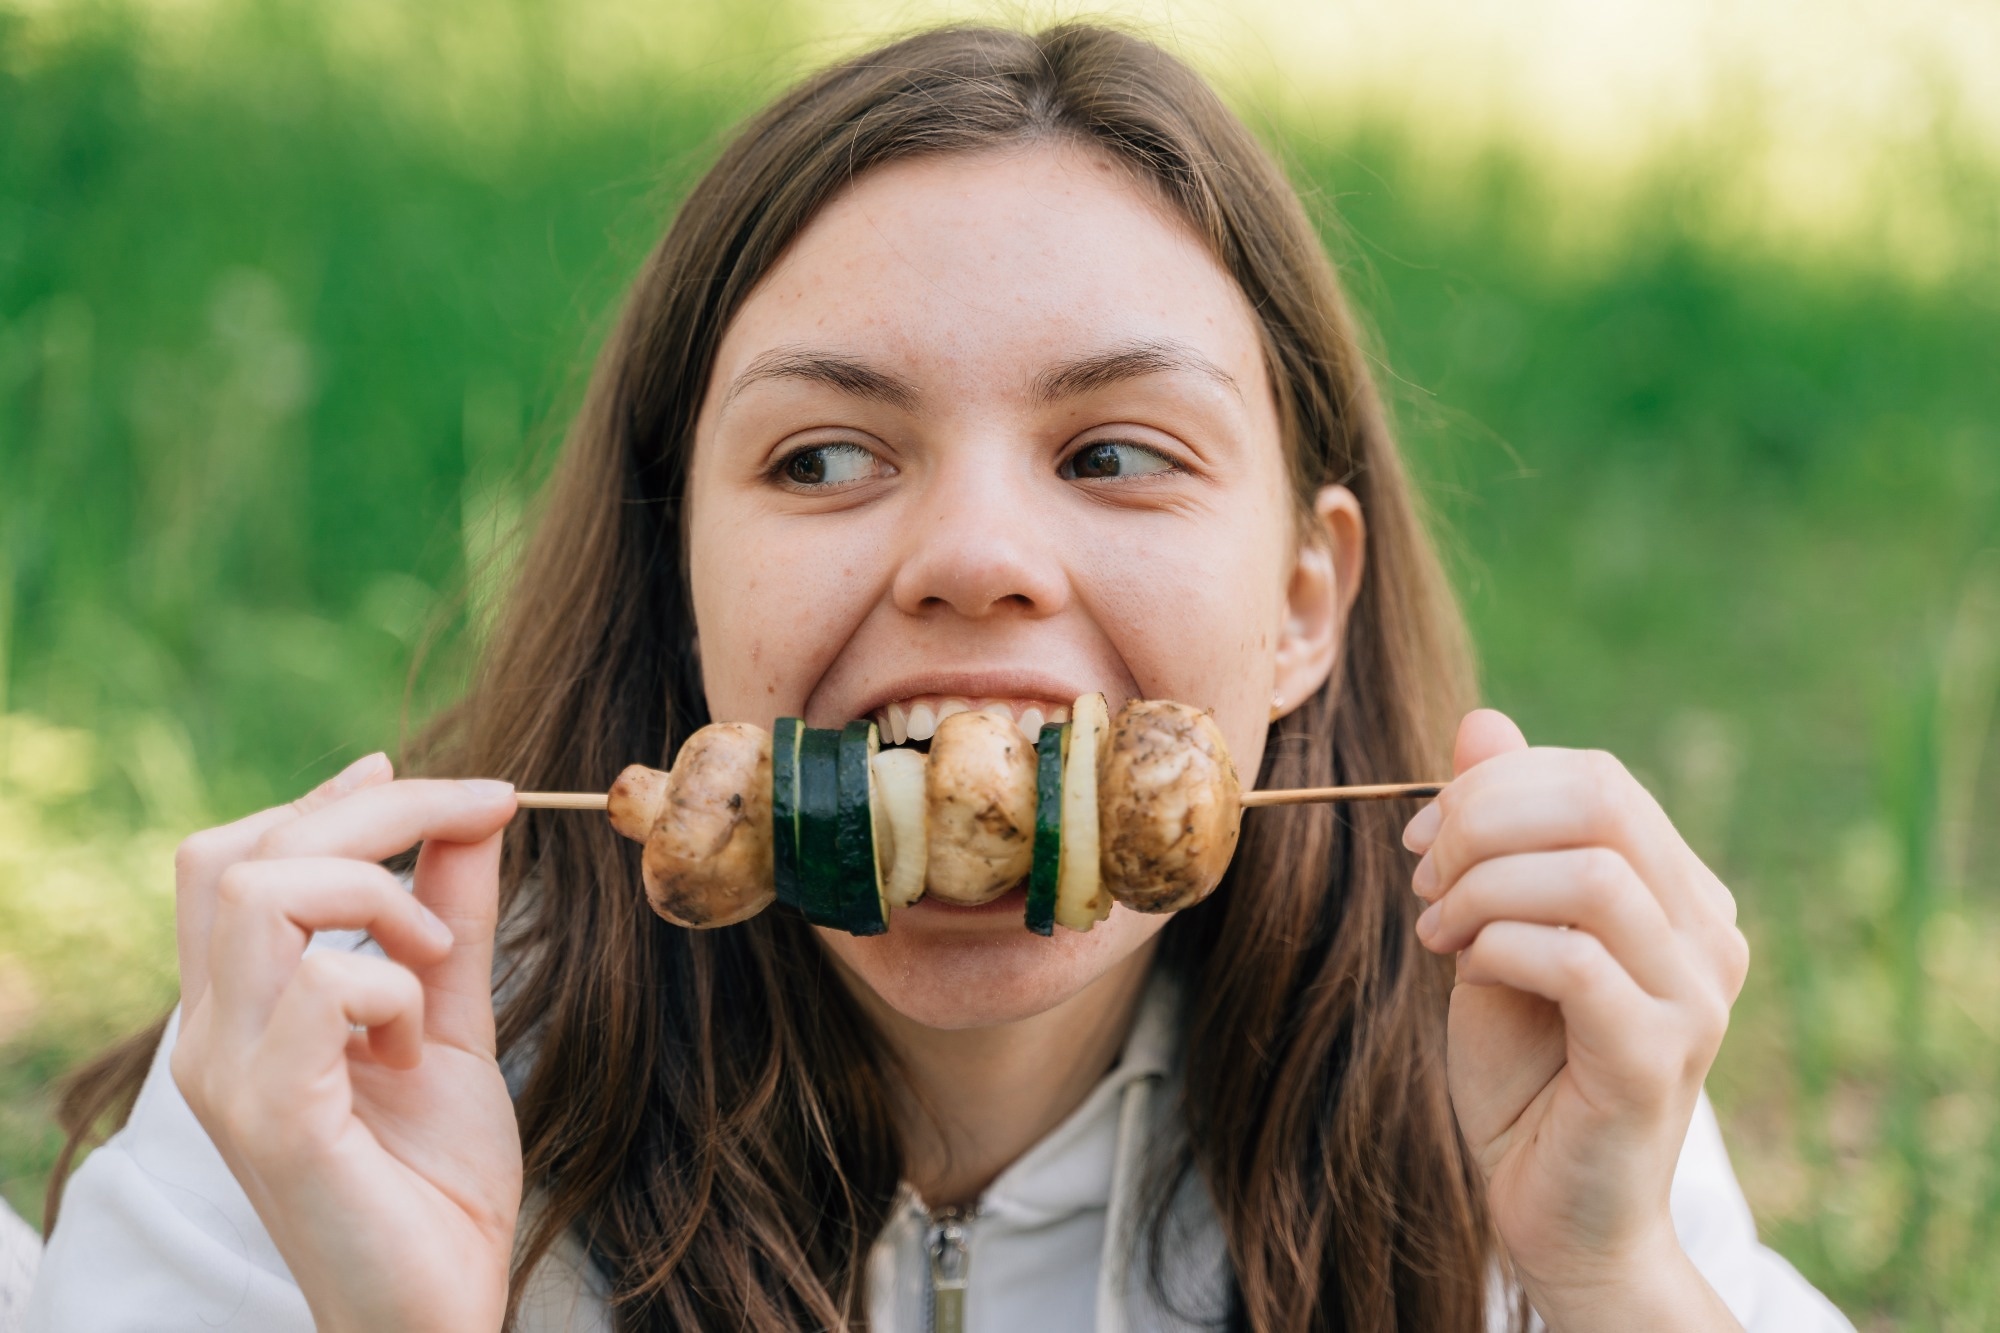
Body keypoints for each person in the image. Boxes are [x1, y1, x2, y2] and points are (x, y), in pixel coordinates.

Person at [28, 23, 1852, 1333]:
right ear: (683, 575)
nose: (974, 554)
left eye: (1118, 451)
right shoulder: (349, 1069)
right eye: (824, 457)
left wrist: (1612, 1279)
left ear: (1306, 604)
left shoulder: (1505, 1075)